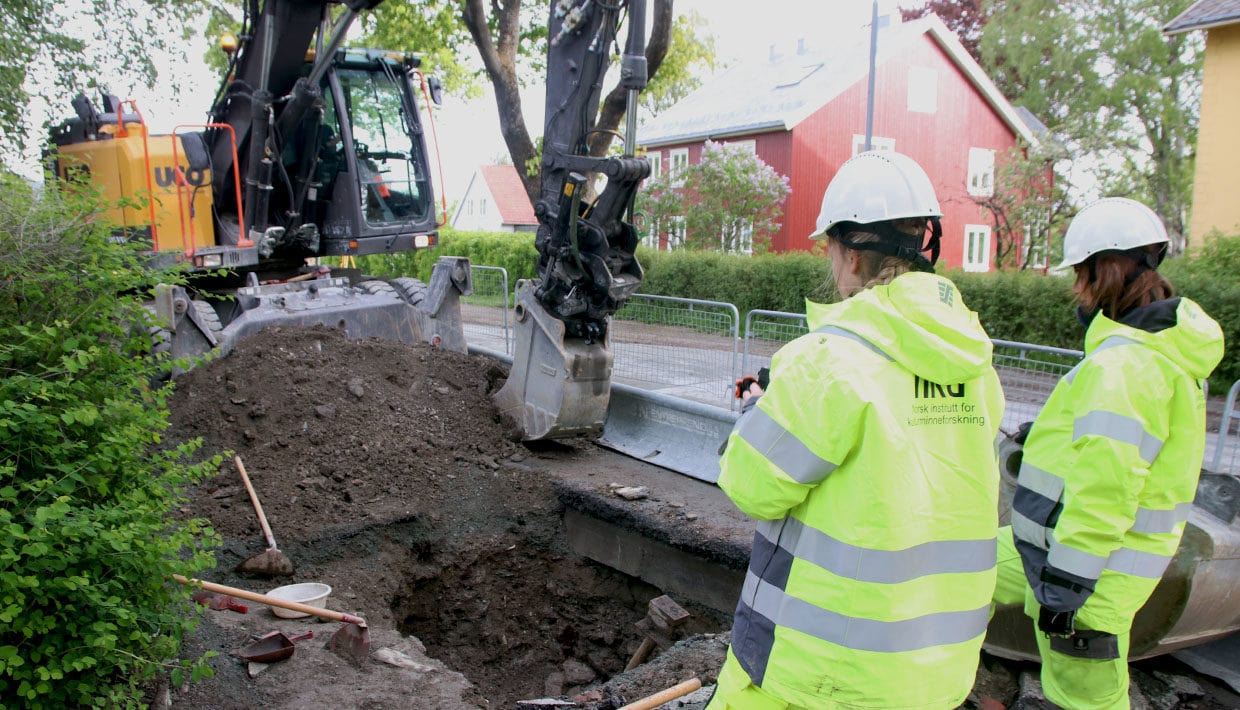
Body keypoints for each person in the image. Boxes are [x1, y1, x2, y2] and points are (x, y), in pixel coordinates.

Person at [708, 151, 1005, 709]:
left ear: (849, 256)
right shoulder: (975, 368)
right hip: (931, 675)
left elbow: (752, 485)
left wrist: (758, 413)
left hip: (815, 674)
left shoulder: (829, 360)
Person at [993, 197, 1224, 710]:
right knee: (962, 565)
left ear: (1106, 272)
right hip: (1053, 553)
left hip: (1085, 574)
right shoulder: (1150, 353)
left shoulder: (1126, 365)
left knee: (1086, 698)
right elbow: (1115, 449)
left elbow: (1107, 490)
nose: (1075, 288)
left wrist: (1068, 589)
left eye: (1080, 274)